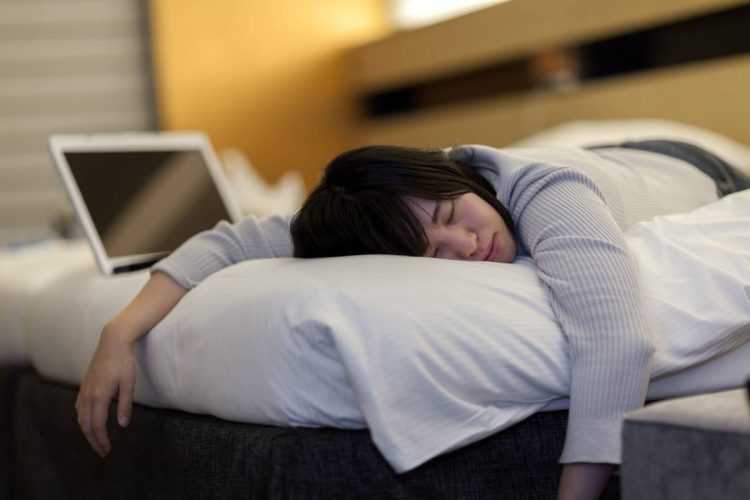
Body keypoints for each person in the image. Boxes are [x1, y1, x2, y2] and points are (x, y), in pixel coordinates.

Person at [75, 139, 750, 499]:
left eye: (457, 217)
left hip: (692, 163)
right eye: (432, 252)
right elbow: (234, 241)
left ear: (463, 183)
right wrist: (119, 331)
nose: (466, 246)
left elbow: (617, 338)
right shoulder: (386, 214)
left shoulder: (548, 190)